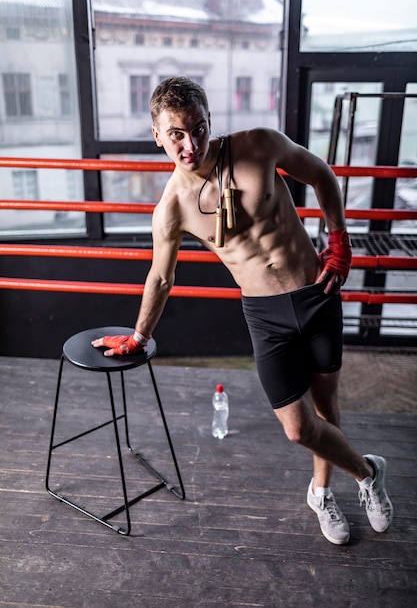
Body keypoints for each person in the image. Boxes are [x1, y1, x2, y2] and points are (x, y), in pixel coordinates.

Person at [92, 76, 393, 545]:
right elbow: (161, 277)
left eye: (198, 128)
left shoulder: (259, 145)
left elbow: (322, 175)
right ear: (157, 135)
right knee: (298, 429)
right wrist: (139, 336)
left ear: (210, 122)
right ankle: (366, 470)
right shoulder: (171, 208)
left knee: (327, 407)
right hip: (266, 315)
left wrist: (339, 242)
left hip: (317, 293)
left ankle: (321, 491)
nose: (190, 144)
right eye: (176, 134)